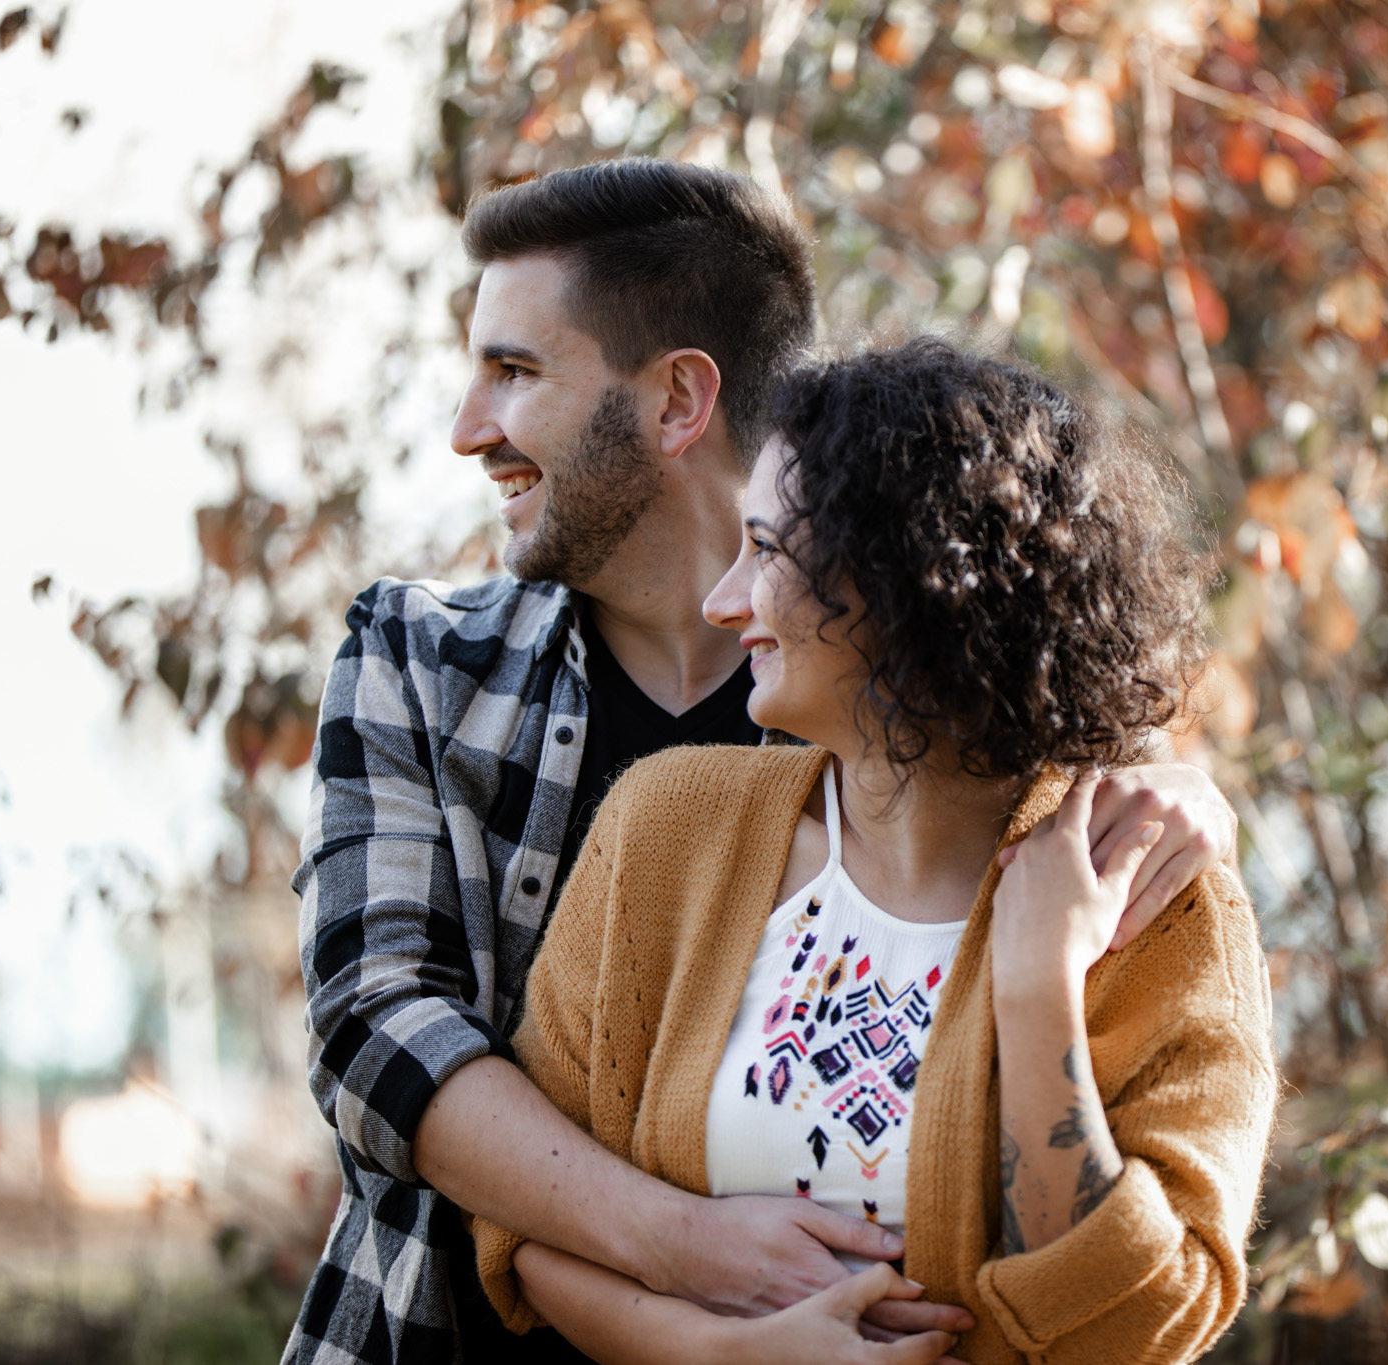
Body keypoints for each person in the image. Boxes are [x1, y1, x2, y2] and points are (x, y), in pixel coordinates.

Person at [286, 159, 1240, 1364]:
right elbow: (373, 1027)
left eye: (514, 371)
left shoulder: (871, 704)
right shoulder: (423, 660)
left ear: (680, 399)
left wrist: (1178, 801)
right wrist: (683, 1253)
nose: (468, 428)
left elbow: (1081, 786)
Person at [468, 339, 1276, 1364]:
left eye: (763, 549)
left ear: (904, 576)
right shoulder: (661, 833)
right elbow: (531, 1225)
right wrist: (723, 1356)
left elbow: (1135, 1328)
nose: (724, 601)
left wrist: (1036, 993)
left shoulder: (1151, 890)